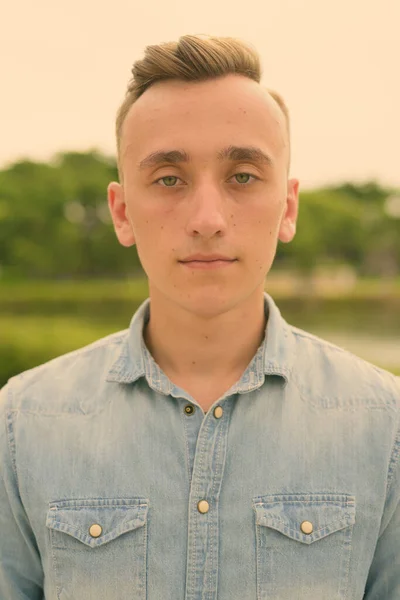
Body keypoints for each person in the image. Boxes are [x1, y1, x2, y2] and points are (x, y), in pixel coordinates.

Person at [0, 34, 399, 600]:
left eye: (242, 176)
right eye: (169, 179)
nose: (207, 218)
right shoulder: (21, 424)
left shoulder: (385, 427)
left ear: (287, 207)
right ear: (121, 212)